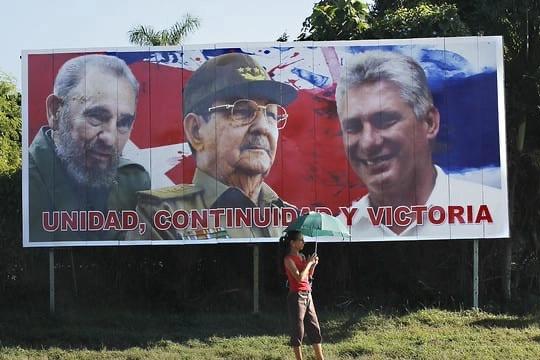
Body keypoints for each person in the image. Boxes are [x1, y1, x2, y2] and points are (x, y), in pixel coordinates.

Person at [335, 51, 504, 239]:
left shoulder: (495, 214)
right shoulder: (337, 231)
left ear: (430, 122)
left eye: (385, 121)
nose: (368, 142)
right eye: (353, 127)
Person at [135, 53, 298, 240]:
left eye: (271, 115)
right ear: (196, 130)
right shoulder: (161, 214)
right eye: (243, 111)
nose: (262, 127)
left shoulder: (291, 217)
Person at [28, 54, 150, 242]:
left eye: (124, 122)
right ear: (55, 111)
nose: (110, 138)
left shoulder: (133, 182)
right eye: (96, 116)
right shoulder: (26, 186)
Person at [280, 231, 324, 360]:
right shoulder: (288, 259)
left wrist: (313, 265)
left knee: (314, 327)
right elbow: (299, 277)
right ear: (293, 243)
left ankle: (320, 357)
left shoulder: (302, 256)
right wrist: (309, 263)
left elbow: (308, 276)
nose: (303, 242)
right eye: (301, 240)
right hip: (296, 296)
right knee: (298, 330)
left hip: (307, 293)